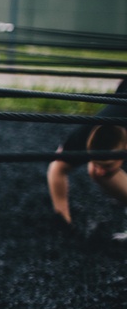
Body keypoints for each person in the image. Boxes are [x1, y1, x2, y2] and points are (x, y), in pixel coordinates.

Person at [46, 79, 127, 239]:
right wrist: (64, 221)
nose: (100, 169)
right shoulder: (84, 134)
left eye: (107, 164)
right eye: (97, 162)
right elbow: (57, 169)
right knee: (96, 173)